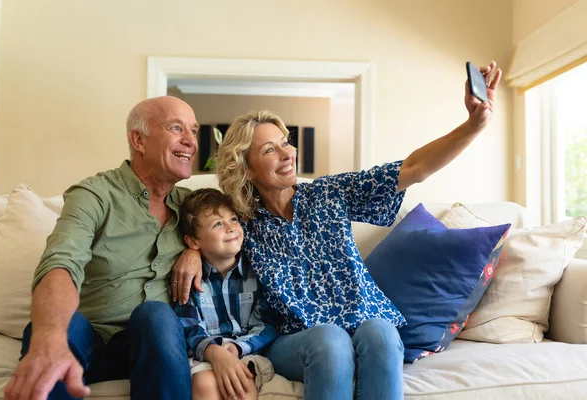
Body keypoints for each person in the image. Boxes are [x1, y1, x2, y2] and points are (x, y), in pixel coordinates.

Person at [209, 62, 502, 400]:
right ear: (246, 170)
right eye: (269, 150)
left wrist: (474, 125)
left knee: (381, 331)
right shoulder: (240, 222)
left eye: (285, 142)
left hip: (366, 325)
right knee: (330, 340)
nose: (288, 153)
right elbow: (201, 230)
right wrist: (189, 252)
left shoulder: (329, 193)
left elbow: (414, 168)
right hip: (297, 340)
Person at [4, 96, 205, 400]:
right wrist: (50, 335)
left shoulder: (193, 208)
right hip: (91, 342)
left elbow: (233, 239)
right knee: (64, 327)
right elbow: (61, 264)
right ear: (138, 139)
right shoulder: (94, 195)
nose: (190, 141)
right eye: (177, 128)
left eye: (194, 130)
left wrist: (196, 250)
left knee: (157, 315)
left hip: (155, 346)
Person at [174, 188, 279, 400]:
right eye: (218, 224)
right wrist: (216, 352)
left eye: (233, 219)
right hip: (205, 354)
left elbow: (268, 324)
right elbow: (189, 327)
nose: (231, 228)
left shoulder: (258, 271)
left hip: (247, 351)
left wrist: (236, 348)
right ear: (194, 242)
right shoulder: (189, 278)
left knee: (240, 383)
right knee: (205, 384)